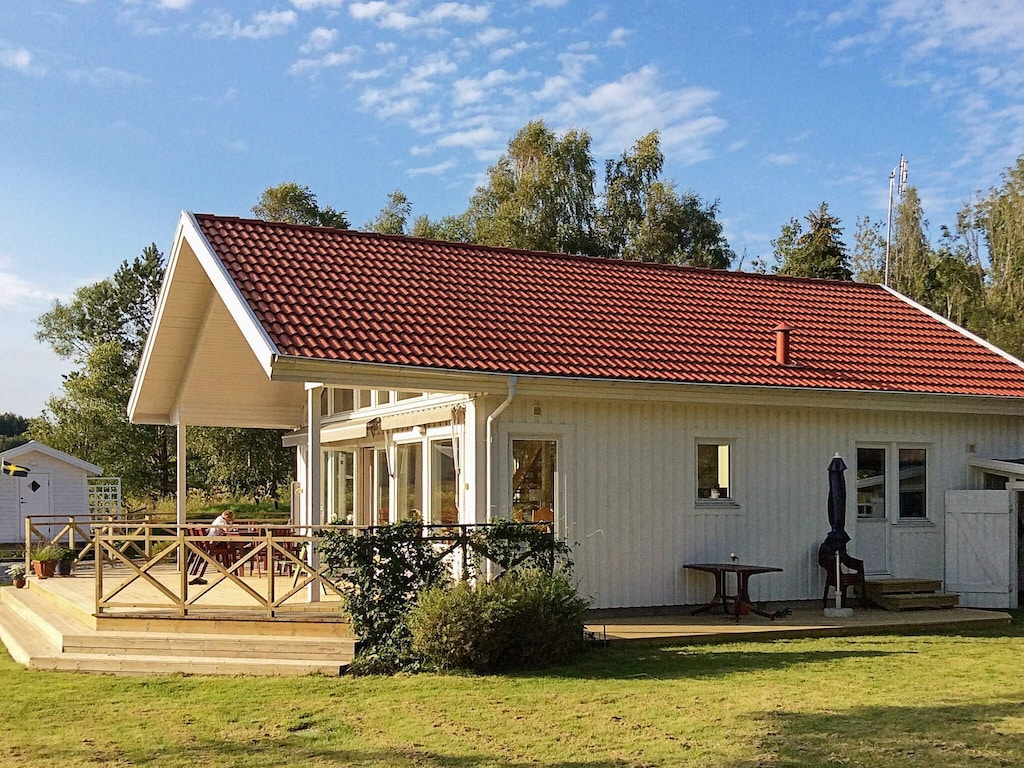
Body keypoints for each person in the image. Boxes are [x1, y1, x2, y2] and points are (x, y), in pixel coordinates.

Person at [188, 510, 237, 585]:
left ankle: (226, 569)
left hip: (207, 542)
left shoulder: (218, 519)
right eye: (230, 519)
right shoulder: (221, 521)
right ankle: (231, 570)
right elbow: (226, 529)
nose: (230, 521)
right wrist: (232, 526)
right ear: (227, 517)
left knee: (226, 545)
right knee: (231, 550)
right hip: (212, 544)